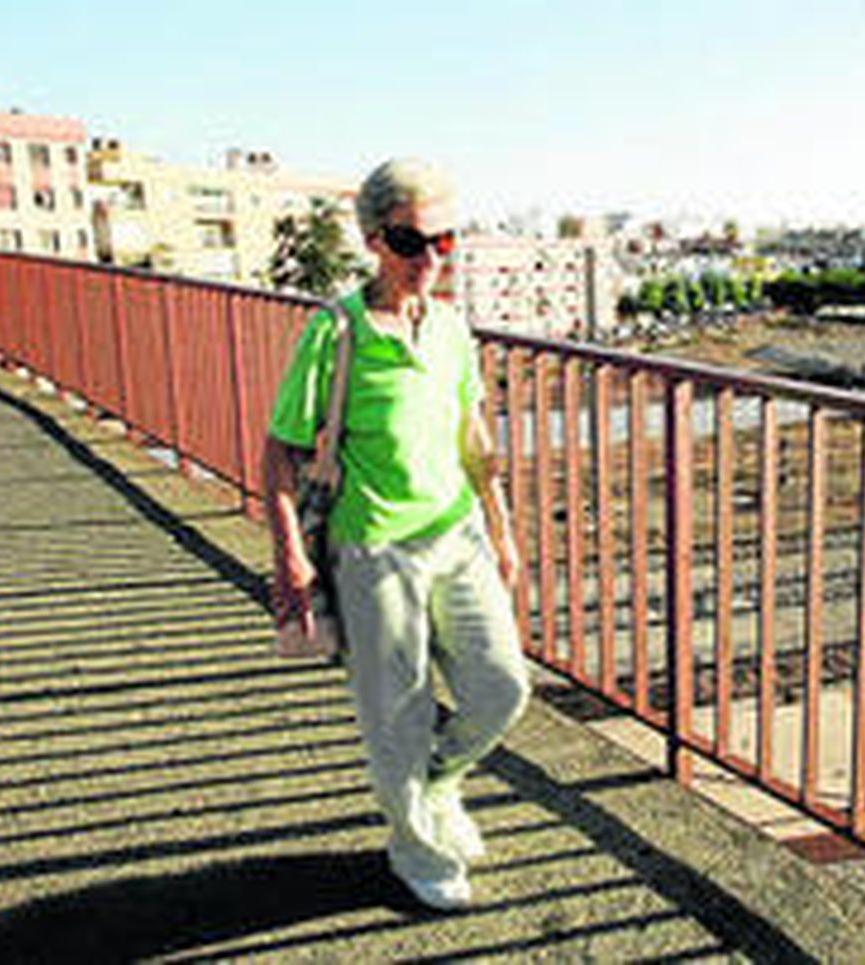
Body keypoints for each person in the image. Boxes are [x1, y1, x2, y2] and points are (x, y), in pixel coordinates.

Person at [263, 158, 529, 912]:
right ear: (376, 239)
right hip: (374, 548)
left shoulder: (449, 326)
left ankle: (438, 787)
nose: (432, 259)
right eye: (414, 242)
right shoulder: (335, 330)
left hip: (458, 534)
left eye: (445, 240)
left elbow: (471, 433)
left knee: (502, 686)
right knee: (398, 713)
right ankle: (415, 846)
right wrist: (291, 556)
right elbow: (281, 449)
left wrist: (502, 529)